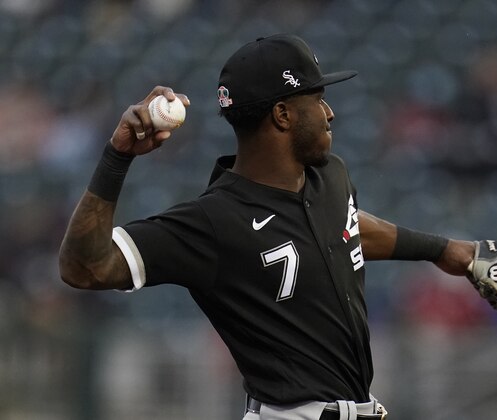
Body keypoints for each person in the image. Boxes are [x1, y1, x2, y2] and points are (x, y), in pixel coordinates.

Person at [59, 34, 475, 420]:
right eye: (318, 98)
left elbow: (345, 230)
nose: (330, 112)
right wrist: (117, 158)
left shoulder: (330, 177)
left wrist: (444, 250)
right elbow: (85, 268)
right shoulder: (214, 221)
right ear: (282, 114)